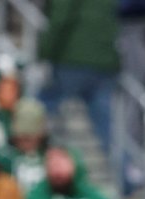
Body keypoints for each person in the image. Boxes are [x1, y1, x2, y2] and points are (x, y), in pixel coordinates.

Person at [38, 0, 120, 155]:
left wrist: (43, 53)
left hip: (72, 59)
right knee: (107, 129)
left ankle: (50, 160)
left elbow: (60, 20)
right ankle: (129, 175)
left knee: (43, 106)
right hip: (105, 61)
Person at [24, 147, 117, 199]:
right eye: (52, 164)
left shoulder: (91, 194)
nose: (57, 170)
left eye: (61, 163)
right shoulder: (36, 196)